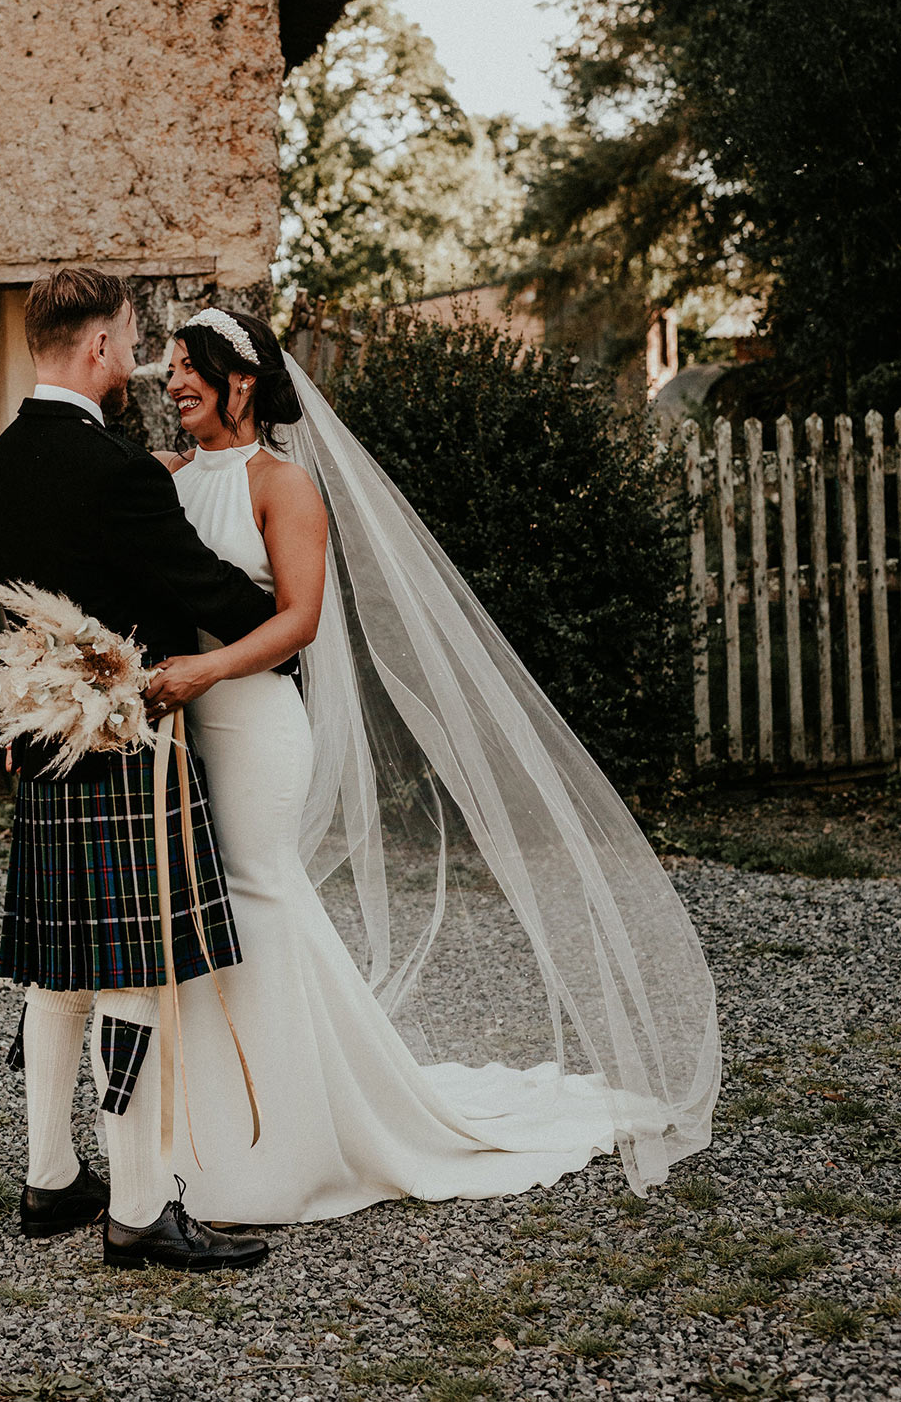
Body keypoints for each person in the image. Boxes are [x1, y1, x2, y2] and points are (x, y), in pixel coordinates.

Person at [144, 307, 720, 1222]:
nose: (169, 382)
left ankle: (296, 1135)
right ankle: (207, 1126)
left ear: (240, 383)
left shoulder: (283, 487)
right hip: (178, 724)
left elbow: (300, 619)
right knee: (204, 908)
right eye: (167, 367)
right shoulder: (166, 479)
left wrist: (208, 668)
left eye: (185, 368)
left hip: (251, 719)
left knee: (259, 896)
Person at [0, 269, 285, 1271]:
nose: (138, 358)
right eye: (129, 339)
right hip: (126, 747)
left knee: (56, 972)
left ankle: (51, 1178)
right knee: (134, 975)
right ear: (104, 344)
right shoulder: (113, 469)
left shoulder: (6, 459)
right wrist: (275, 592)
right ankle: (142, 1208)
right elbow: (218, 601)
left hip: (41, 740)